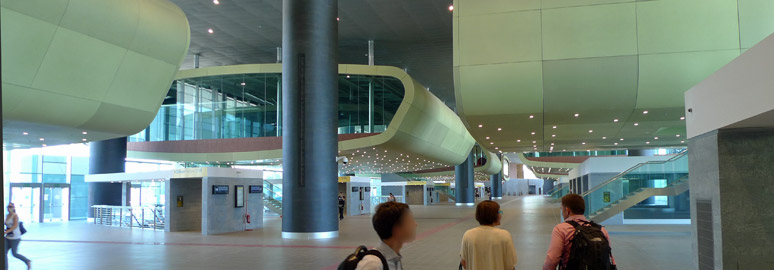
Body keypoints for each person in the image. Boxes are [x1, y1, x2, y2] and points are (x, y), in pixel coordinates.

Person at [543, 194, 616, 270]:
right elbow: (610, 259)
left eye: (562, 209)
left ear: (567, 211)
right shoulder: (601, 230)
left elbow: (551, 261)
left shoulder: (561, 229)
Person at [356, 202, 417, 270]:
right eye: (410, 221)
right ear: (396, 229)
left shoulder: (394, 258)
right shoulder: (373, 264)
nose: (415, 224)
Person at [460, 200, 517, 270]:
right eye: (499, 212)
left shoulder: (468, 235)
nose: (501, 215)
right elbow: (510, 265)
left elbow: (464, 262)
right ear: (494, 215)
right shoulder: (504, 235)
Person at [5, 203, 31, 270]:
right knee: (3, 253)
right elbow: (8, 226)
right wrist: (6, 231)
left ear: (13, 208)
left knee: (14, 253)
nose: (9, 208)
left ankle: (27, 261)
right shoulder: (6, 215)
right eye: (8, 206)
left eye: (10, 206)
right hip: (7, 237)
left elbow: (14, 226)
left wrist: (6, 232)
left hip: (15, 238)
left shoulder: (15, 215)